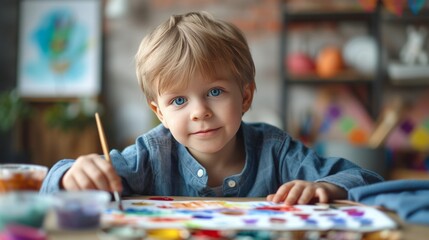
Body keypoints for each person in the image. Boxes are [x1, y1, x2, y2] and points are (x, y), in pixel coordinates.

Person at [40, 11, 383, 205]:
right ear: (159, 112)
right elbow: (50, 185)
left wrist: (328, 187)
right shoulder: (151, 154)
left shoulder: (277, 151)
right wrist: (72, 176)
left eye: (215, 91)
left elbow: (365, 178)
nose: (199, 111)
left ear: (245, 97)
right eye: (178, 100)